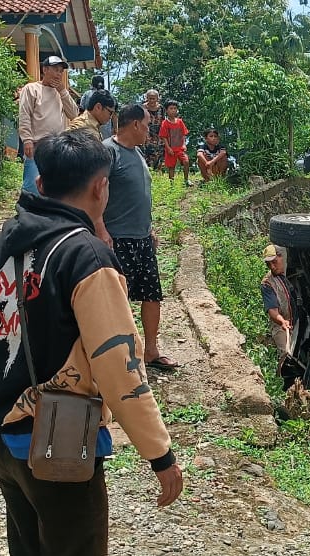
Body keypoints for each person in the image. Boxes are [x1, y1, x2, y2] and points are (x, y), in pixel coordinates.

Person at [0, 131, 182, 556]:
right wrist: (160, 454)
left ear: (43, 184)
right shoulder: (86, 257)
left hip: (3, 435)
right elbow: (120, 368)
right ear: (100, 187)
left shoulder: (4, 242)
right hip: (59, 443)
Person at [102, 104, 180, 371]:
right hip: (118, 239)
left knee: (151, 295)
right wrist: (100, 229)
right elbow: (95, 194)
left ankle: (151, 351)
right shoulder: (107, 152)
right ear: (135, 124)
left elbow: (141, 194)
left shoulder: (137, 153)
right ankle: (119, 356)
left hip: (142, 237)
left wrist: (150, 228)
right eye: (147, 125)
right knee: (117, 300)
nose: (151, 131)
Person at [17, 56, 79, 196]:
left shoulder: (61, 93)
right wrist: (27, 139)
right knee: (32, 187)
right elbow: (25, 114)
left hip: (57, 147)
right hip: (37, 145)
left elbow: (74, 114)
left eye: (61, 71)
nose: (58, 74)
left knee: (55, 187)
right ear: (45, 70)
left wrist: (63, 91)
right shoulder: (32, 89)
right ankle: (28, 215)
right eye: (56, 70)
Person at [260, 244, 299, 389]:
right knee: (286, 354)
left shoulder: (292, 273)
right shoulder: (267, 284)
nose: (272, 267)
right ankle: (283, 388)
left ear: (282, 257)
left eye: (274, 262)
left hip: (297, 323)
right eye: (268, 264)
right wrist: (282, 321)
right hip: (280, 326)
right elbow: (272, 311)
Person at [158, 100, 190, 186]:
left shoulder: (180, 121)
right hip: (170, 149)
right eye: (171, 108)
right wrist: (168, 148)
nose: (173, 110)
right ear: (167, 110)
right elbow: (163, 137)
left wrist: (184, 144)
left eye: (175, 108)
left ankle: (186, 180)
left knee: (186, 161)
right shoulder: (165, 123)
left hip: (180, 148)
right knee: (171, 167)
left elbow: (184, 134)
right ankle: (172, 184)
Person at [141, 90, 164, 171]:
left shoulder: (161, 108)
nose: (151, 100)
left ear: (157, 99)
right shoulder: (143, 108)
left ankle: (157, 174)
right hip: (146, 134)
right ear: (146, 98)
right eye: (150, 98)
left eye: (153, 98)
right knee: (146, 155)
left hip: (159, 135)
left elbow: (163, 121)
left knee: (159, 155)